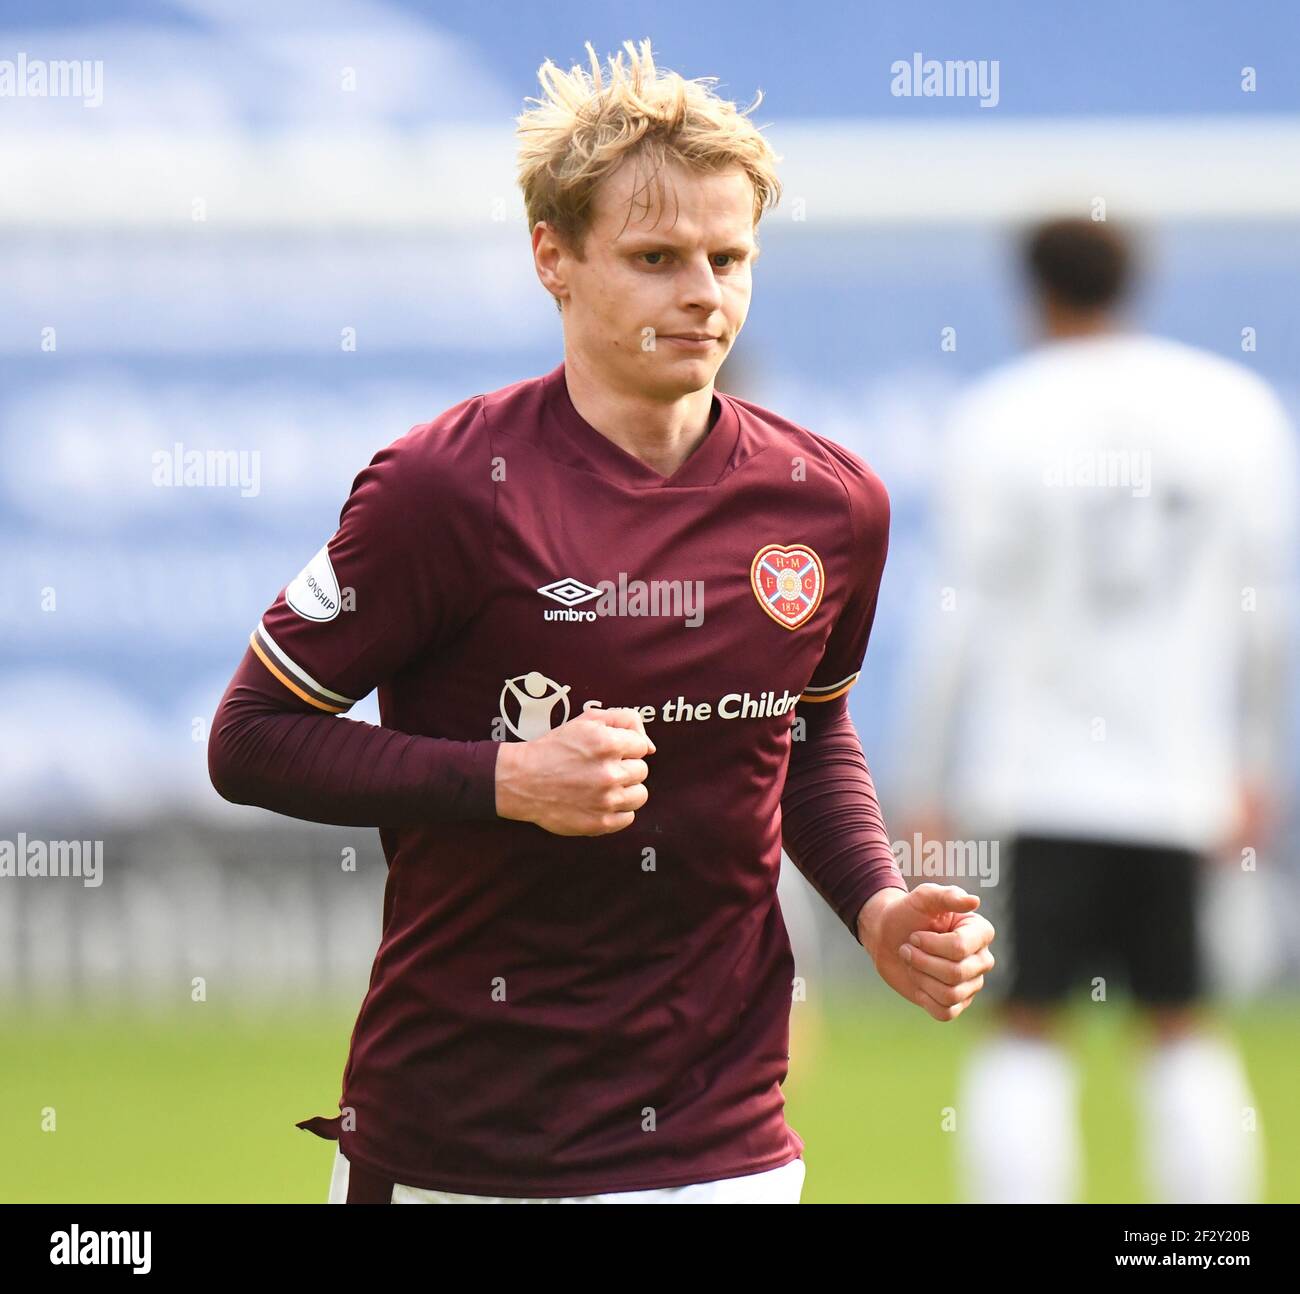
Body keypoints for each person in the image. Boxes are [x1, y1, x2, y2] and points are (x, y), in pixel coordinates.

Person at [207, 38, 994, 1205]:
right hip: (462, 1143)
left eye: (731, 258)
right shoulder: (440, 489)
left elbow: (810, 732)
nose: (703, 294)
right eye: (656, 256)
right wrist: (506, 780)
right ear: (553, 259)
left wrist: (874, 902)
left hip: (724, 1148)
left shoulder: (830, 505)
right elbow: (251, 739)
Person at [896, 215, 1296, 1203]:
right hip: (1175, 774)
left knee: (1026, 1019)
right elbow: (1265, 614)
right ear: (1135, 280)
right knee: (1182, 1019)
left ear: (1030, 290)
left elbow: (953, 620)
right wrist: (1249, 755)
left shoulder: (998, 415)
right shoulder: (1231, 407)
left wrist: (922, 778)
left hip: (1038, 778)